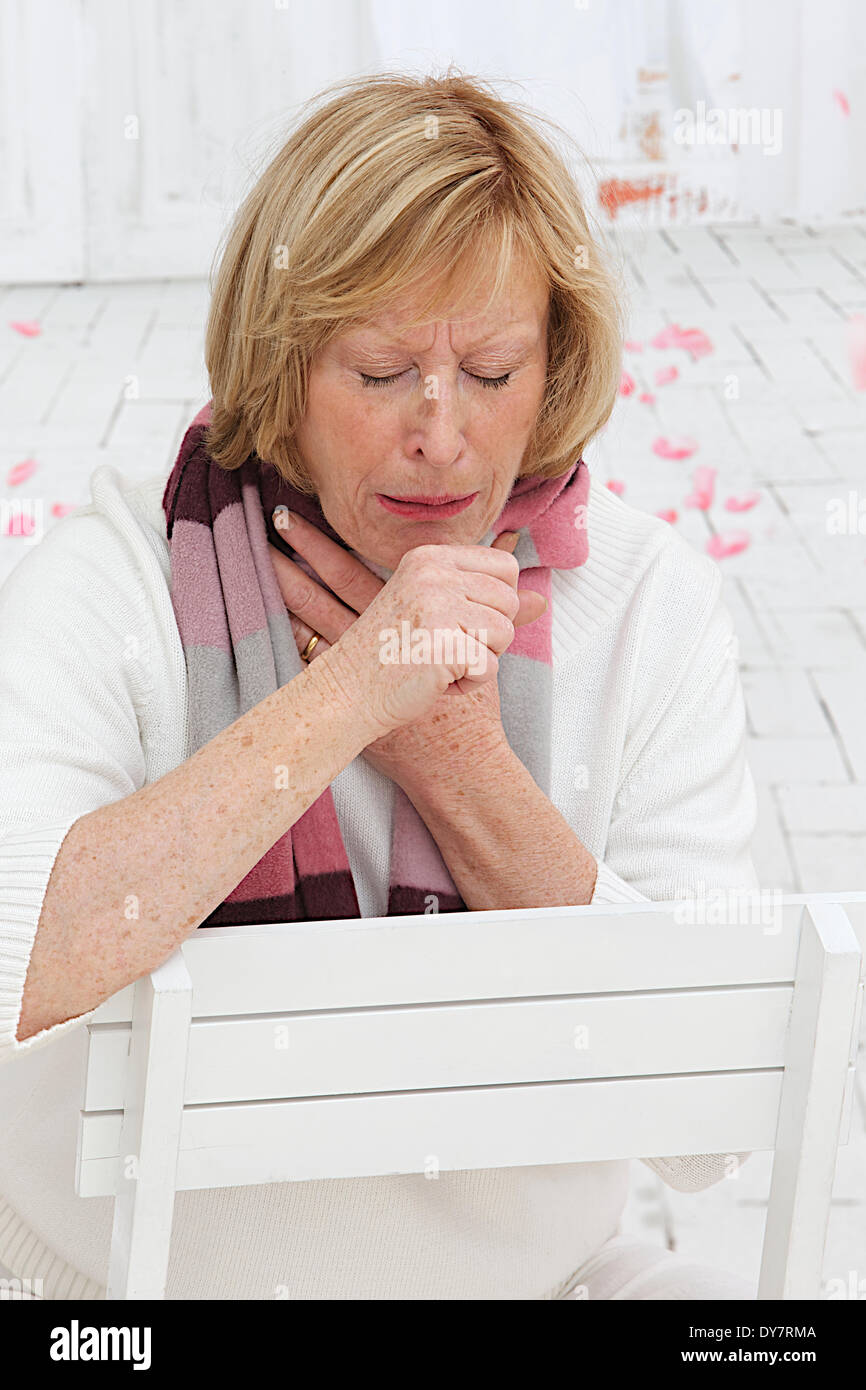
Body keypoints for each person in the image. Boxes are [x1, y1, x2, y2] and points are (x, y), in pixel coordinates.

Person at [0, 70, 759, 1300]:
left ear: (555, 366)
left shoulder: (647, 601)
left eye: (495, 370)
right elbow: (15, 958)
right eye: (377, 371)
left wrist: (456, 761)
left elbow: (713, 1118)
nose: (441, 434)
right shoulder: (116, 582)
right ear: (280, 364)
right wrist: (349, 695)